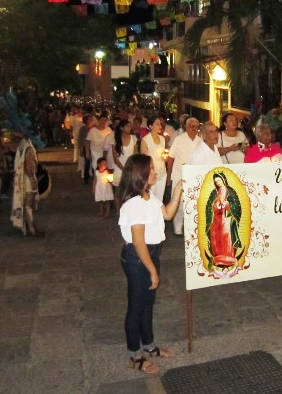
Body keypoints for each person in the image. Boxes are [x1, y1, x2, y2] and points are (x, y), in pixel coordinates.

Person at [118, 154, 184, 375]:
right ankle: (134, 356)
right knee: (137, 306)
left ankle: (149, 346)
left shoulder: (148, 196)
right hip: (139, 258)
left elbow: (166, 214)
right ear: (141, 174)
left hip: (150, 254)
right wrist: (152, 270)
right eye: (152, 170)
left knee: (147, 304)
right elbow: (138, 242)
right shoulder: (134, 204)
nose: (156, 172)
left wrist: (177, 193)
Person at [166, 117, 201, 235]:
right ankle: (177, 225)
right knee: (179, 201)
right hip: (179, 175)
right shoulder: (179, 139)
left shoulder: (200, 140)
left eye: (196, 127)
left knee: (193, 201)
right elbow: (170, 158)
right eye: (191, 126)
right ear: (186, 126)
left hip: (194, 175)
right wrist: (169, 176)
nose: (194, 129)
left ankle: (190, 225)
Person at [204, 172, 242, 268]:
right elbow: (208, 206)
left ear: (223, 180)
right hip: (216, 219)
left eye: (219, 180)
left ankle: (229, 258)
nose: (218, 183)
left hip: (227, 218)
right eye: (216, 181)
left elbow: (237, 205)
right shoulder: (214, 192)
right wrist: (215, 205)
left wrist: (228, 205)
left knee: (226, 237)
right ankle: (217, 258)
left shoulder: (231, 191)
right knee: (216, 237)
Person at [11, 132, 45, 237]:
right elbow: (29, 165)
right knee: (28, 205)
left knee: (25, 204)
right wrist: (32, 179)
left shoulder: (22, 145)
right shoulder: (29, 148)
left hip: (21, 178)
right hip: (27, 179)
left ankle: (29, 225)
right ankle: (31, 228)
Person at [140, 115, 169, 202]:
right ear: (150, 126)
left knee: (159, 199)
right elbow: (144, 159)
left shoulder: (162, 139)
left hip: (162, 173)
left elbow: (164, 152)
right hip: (151, 174)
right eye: (157, 124)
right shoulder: (145, 140)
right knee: (151, 198)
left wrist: (165, 157)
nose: (160, 126)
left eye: (160, 124)